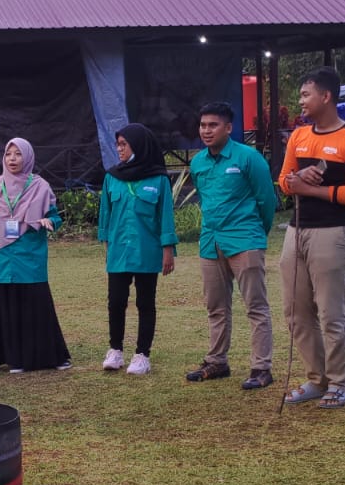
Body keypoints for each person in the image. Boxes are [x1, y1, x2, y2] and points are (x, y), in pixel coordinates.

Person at [277, 68, 345, 408]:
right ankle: (315, 379)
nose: (300, 101)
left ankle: (339, 383)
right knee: (295, 311)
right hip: (296, 231)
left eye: (305, 95)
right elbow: (284, 182)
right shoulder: (299, 136)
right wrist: (296, 179)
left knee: (331, 312)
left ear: (326, 97)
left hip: (334, 233)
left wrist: (315, 190)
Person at [186, 102, 278, 390]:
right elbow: (204, 198)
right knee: (216, 306)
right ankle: (217, 361)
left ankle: (261, 368)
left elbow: (267, 201)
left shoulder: (248, 158)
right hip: (210, 242)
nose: (206, 130)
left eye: (213, 125)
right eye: (203, 125)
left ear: (228, 127)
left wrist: (254, 234)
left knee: (255, 306)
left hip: (245, 240)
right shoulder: (198, 162)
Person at [0, 137, 70, 372]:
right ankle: (14, 359)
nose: (12, 159)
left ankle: (47, 357)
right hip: (3, 257)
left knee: (36, 308)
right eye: (9, 154)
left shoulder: (40, 186)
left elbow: (56, 217)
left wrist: (48, 221)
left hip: (30, 256)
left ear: (28, 156)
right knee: (9, 308)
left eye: (18, 154)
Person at [97, 123, 176, 375]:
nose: (119, 149)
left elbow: (165, 216)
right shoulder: (112, 177)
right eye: (117, 144)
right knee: (116, 301)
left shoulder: (159, 178)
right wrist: (107, 246)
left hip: (147, 250)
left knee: (146, 302)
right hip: (119, 250)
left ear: (139, 146)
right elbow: (105, 215)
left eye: (124, 144)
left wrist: (167, 250)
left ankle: (142, 354)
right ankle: (115, 350)